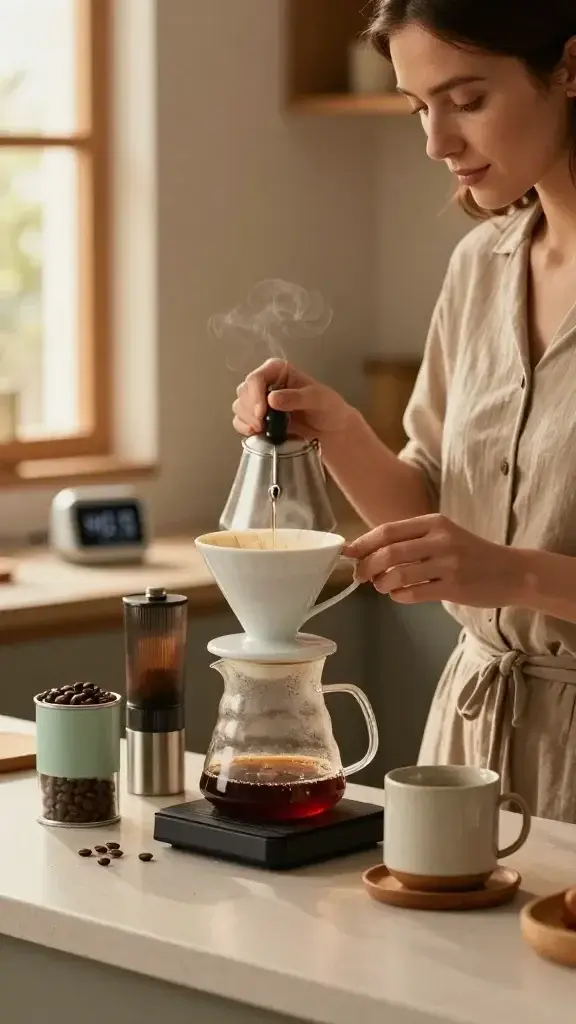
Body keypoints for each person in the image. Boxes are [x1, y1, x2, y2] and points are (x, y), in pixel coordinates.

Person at [232, 0, 576, 823]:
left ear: (568, 67)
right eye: (420, 107)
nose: (436, 142)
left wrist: (517, 574)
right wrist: (338, 430)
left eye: (467, 99)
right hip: (468, 740)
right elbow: (428, 506)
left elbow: (491, 561)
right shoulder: (479, 268)